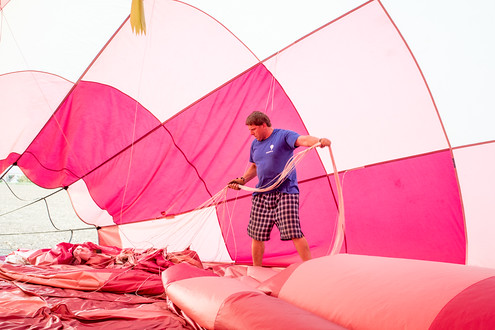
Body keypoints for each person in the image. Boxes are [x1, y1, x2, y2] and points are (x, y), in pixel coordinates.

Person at [228, 111, 331, 266]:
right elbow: (255, 166)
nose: (251, 133)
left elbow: (302, 139)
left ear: (263, 125)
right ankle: (257, 270)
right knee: (257, 235)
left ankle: (311, 267)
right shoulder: (255, 144)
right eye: (249, 130)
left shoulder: (283, 136)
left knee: (293, 232)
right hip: (262, 194)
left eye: (253, 129)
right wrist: (242, 180)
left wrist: (320, 141)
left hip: (285, 192)